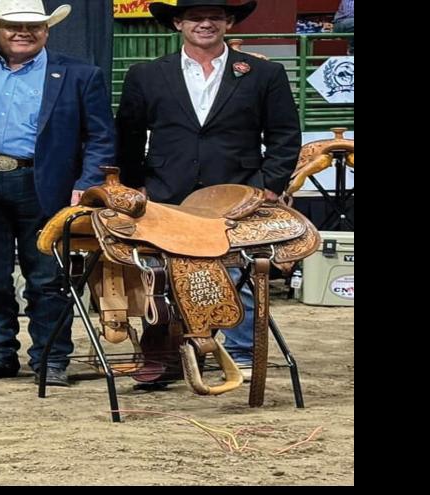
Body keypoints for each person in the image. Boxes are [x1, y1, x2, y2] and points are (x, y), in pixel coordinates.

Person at [116, 0, 300, 378]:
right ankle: (171, 354)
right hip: (168, 190)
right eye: (196, 17)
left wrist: (268, 186)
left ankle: (243, 352)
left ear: (229, 22)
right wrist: (135, 185)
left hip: (238, 189)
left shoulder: (264, 73)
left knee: (241, 272)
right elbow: (129, 135)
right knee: (164, 276)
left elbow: (284, 134)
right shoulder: (147, 74)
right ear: (178, 23)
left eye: (214, 17)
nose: (205, 24)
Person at [0, 0, 115, 387]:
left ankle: (51, 358)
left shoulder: (79, 74)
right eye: (11, 25)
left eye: (33, 25)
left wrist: (86, 183)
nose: (22, 32)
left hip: (46, 185)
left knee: (47, 279)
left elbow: (101, 136)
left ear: (47, 30)